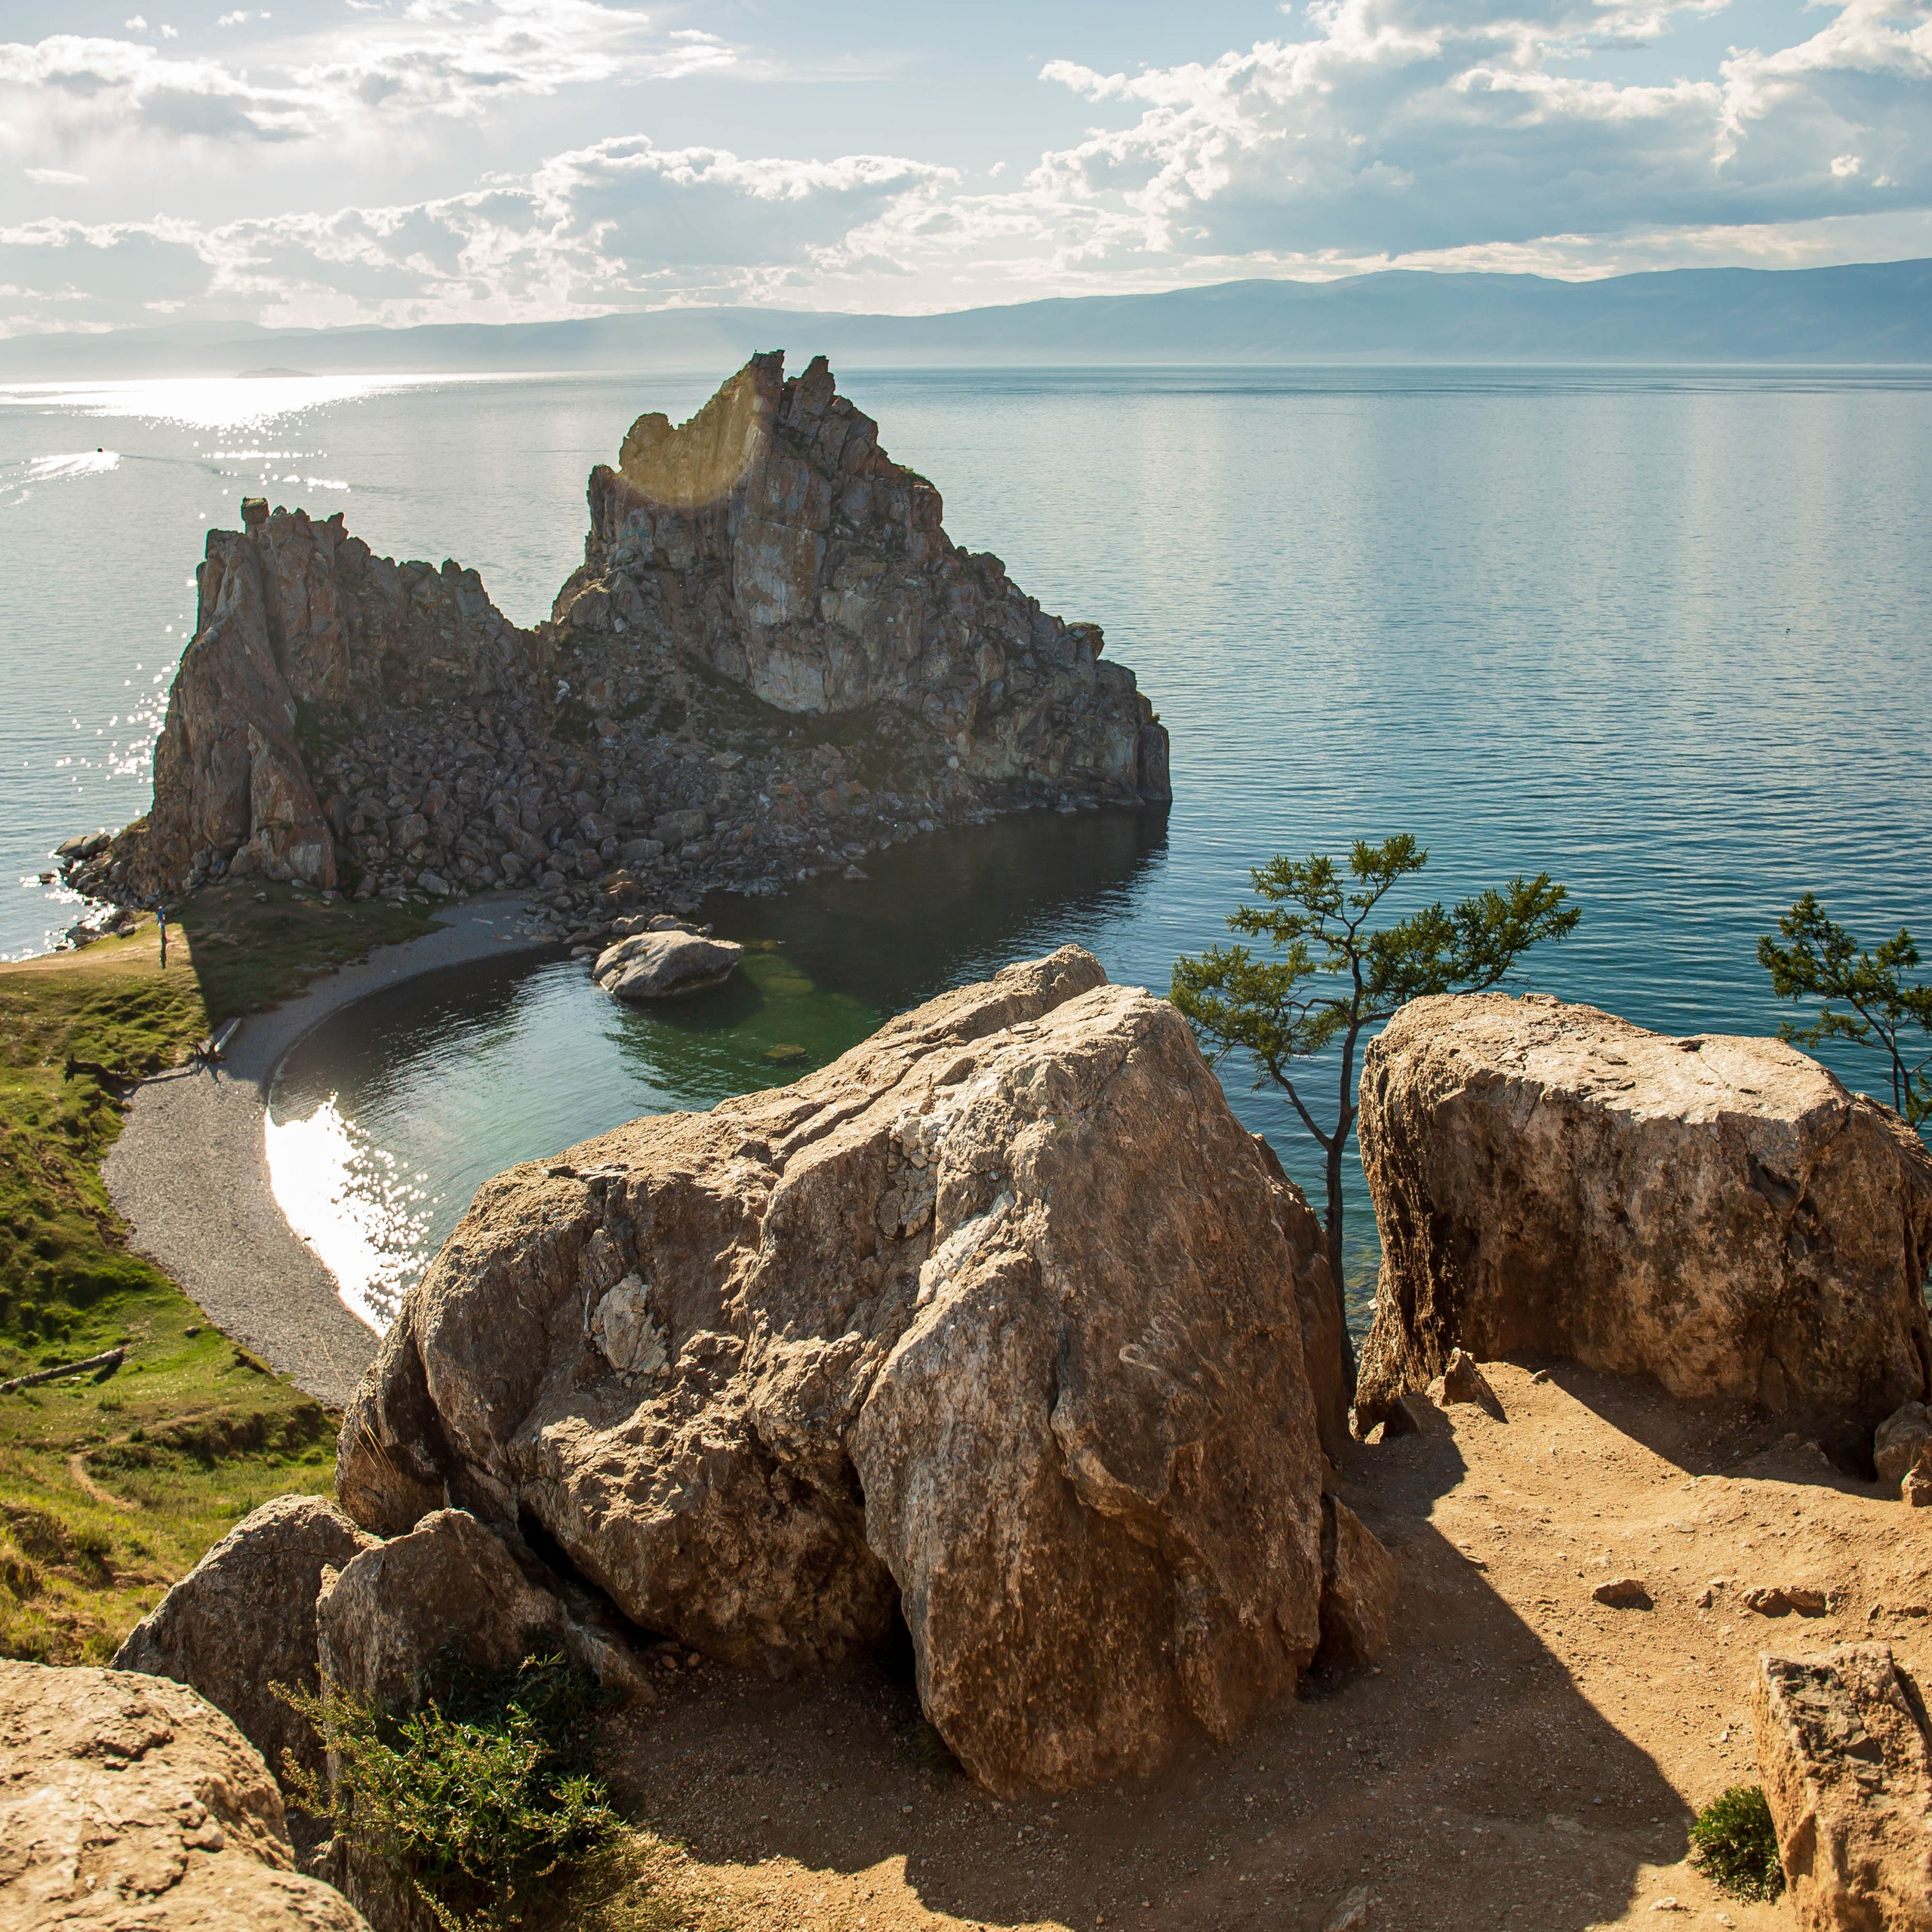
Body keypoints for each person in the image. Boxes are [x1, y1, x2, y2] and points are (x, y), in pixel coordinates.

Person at [157, 903, 168, 969]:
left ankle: (164, 937)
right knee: (164, 931)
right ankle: (164, 938)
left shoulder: (159, 913)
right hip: (162, 924)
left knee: (163, 931)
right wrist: (163, 921)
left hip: (161, 923)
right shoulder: (160, 913)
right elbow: (161, 919)